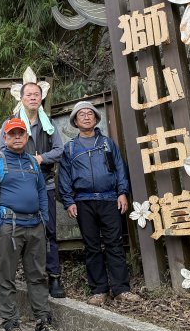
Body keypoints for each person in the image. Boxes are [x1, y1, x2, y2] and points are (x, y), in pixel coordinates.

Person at [0, 117, 67, 331]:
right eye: (12, 134)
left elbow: (42, 189)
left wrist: (44, 216)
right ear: (5, 137)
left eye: (21, 133)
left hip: (35, 225)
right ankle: (11, 323)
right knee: (7, 275)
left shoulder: (32, 162)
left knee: (38, 274)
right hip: (10, 226)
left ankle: (43, 321)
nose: (17, 137)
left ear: (27, 137)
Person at [57, 101, 139, 305]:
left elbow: (120, 168)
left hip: (110, 199)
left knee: (115, 244)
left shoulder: (107, 144)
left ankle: (121, 289)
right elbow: (64, 177)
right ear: (75, 121)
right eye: (81, 115)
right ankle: (99, 290)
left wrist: (122, 193)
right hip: (83, 202)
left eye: (90, 114)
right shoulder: (70, 149)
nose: (86, 117)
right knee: (92, 246)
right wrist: (68, 201)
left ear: (96, 119)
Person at [0, 82, 66, 297]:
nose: (32, 98)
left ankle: (53, 277)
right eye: (28, 94)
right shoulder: (10, 123)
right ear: (21, 97)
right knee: (19, 233)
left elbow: (60, 150)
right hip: (17, 187)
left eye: (36, 94)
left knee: (49, 232)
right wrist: (25, 160)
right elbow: (2, 151)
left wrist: (40, 158)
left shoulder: (49, 124)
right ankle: (26, 276)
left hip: (44, 184)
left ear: (41, 98)